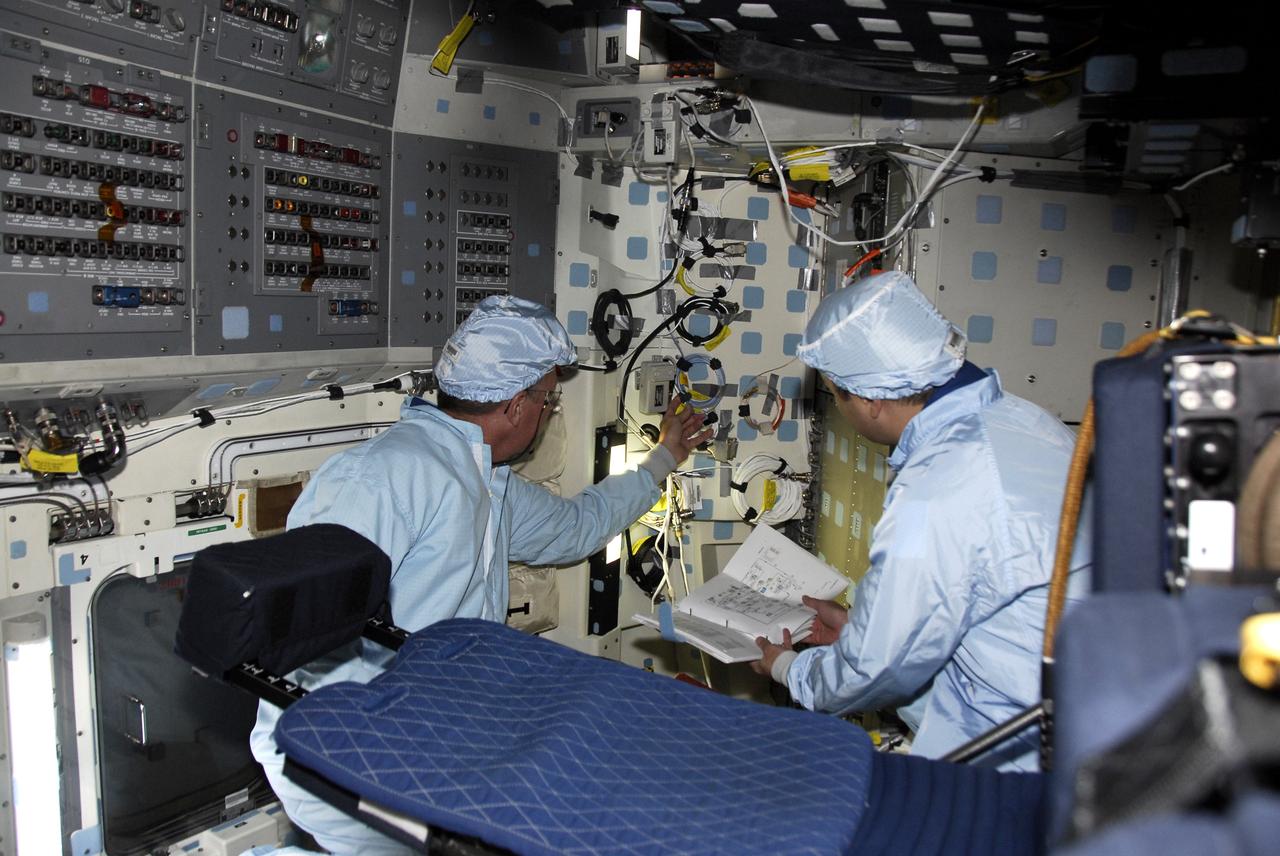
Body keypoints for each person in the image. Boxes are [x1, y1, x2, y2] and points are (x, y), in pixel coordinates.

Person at [250, 296, 711, 854]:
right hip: (347, 762)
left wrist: (663, 458)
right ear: (517, 406)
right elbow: (304, 638)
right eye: (548, 399)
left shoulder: (484, 480)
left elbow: (576, 528)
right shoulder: (377, 479)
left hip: (432, 749)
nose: (548, 412)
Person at [751, 271, 1091, 770]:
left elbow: (875, 668)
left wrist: (789, 669)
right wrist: (860, 630)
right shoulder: (1025, 420)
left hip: (1035, 756)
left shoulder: (935, 489)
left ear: (870, 401)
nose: (840, 409)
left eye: (836, 395)